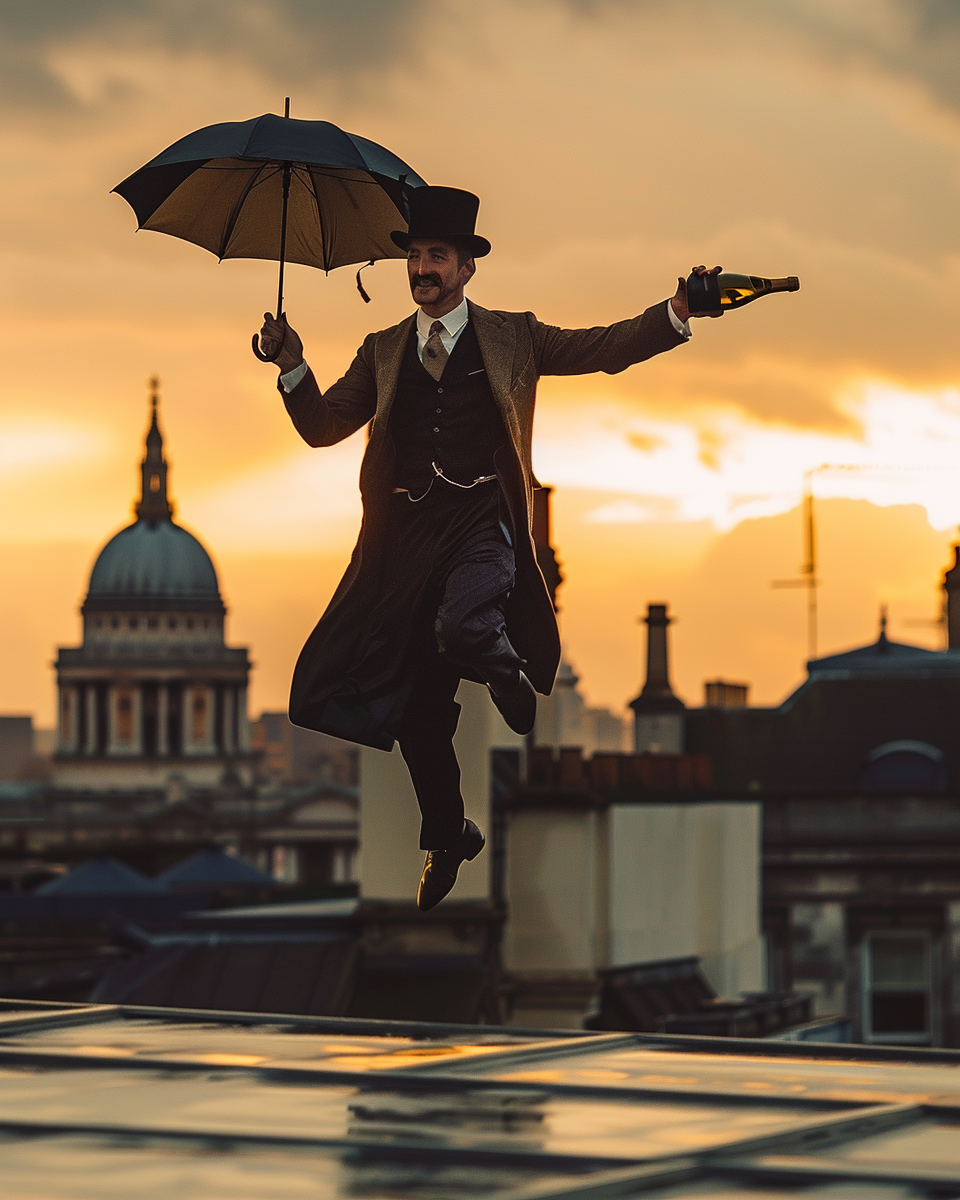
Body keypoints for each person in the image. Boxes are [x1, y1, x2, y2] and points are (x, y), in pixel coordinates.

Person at [257, 185, 720, 910]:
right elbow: (320, 427)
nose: (422, 270)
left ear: (468, 267)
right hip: (405, 540)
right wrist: (290, 362)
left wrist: (680, 313)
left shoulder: (515, 338)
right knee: (414, 709)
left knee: (468, 624)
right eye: (413, 257)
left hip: (482, 524)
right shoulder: (380, 352)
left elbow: (602, 349)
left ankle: (507, 675)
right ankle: (448, 834)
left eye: (436, 256)